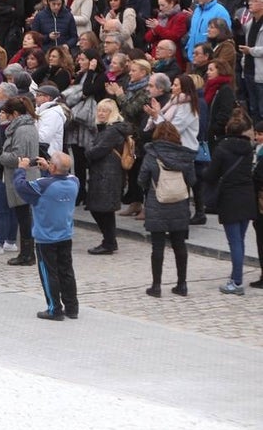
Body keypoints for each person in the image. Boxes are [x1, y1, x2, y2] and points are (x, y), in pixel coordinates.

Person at [13, 152, 80, 321]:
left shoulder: (42, 185)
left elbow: (21, 186)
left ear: (54, 167)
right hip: (65, 234)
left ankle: (54, 308)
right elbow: (57, 181)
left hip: (46, 237)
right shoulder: (74, 182)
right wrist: (48, 170)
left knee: (49, 273)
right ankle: (72, 307)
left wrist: (21, 169)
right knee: (66, 271)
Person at [138, 122, 195, 298]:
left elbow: (141, 179)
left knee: (158, 247)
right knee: (180, 245)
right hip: (179, 204)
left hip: (158, 204)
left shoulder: (151, 155)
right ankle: (182, 284)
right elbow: (192, 180)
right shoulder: (185, 156)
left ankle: (156, 286)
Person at [204, 109, 255, 295]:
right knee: (239, 240)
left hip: (230, 198)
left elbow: (211, 175)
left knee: (234, 242)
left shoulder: (222, 148)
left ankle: (237, 281)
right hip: (247, 196)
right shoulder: (249, 148)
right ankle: (235, 275)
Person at [85, 98, 131, 255]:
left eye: (105, 110)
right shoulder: (108, 129)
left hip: (107, 175)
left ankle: (109, 242)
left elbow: (98, 150)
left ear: (113, 113)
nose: (101, 113)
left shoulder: (112, 130)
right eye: (99, 110)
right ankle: (109, 241)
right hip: (104, 173)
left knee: (101, 209)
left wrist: (88, 152)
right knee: (103, 210)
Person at [0, 96, 39, 266]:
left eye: (7, 113)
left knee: (24, 217)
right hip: (26, 175)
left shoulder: (21, 130)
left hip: (22, 176)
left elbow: (17, 157)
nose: (5, 116)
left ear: (14, 113)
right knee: (24, 216)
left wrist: (2, 156)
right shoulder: (28, 126)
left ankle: (27, 254)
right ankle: (27, 252)